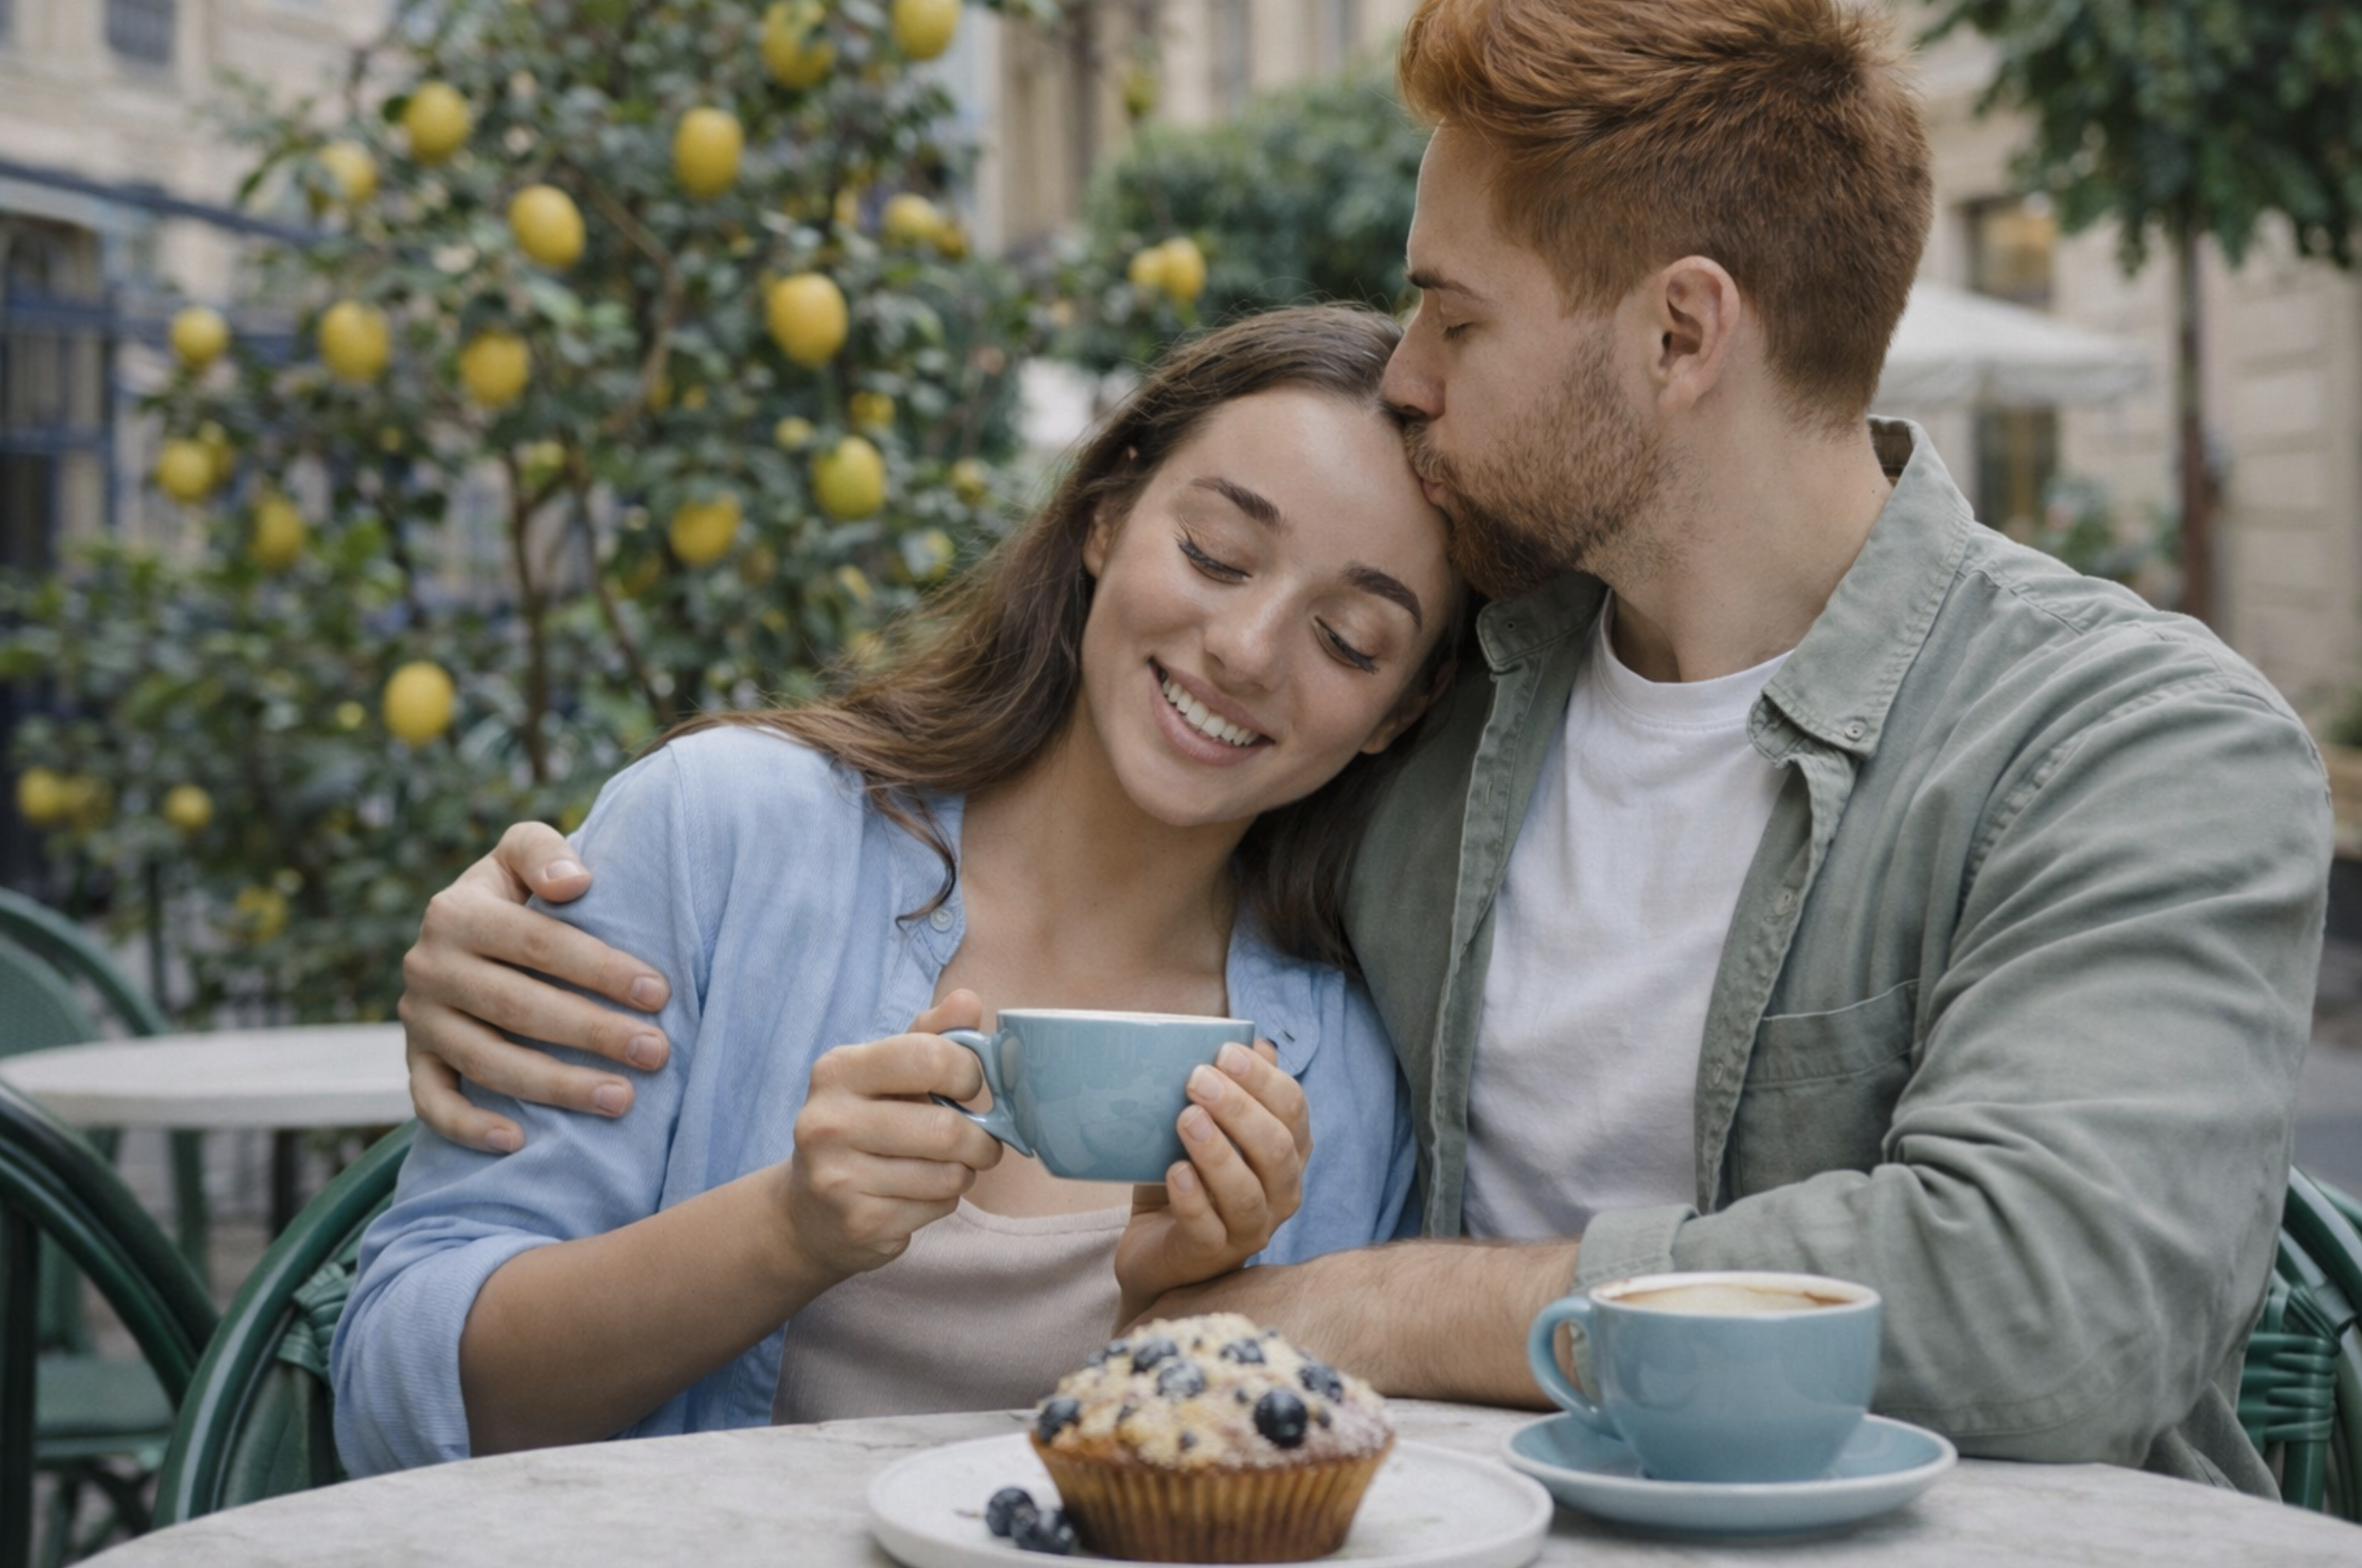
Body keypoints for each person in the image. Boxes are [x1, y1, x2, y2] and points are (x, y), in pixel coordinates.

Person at [391, 0, 2333, 1493]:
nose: (1406, 375)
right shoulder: (1451, 706)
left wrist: (1369, 1301)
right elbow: (1086, 786)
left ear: (1678, 337)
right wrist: (504, 927)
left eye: (1449, 312)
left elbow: (2047, 1304)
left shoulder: (2128, 742)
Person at [331, 305, 1464, 1475]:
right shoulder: (720, 834)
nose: (1248, 646)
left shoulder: (1345, 1072)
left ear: (1403, 713)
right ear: (1105, 513)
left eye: (1347, 637)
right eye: (1216, 555)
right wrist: (785, 1232)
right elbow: (394, 1394)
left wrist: (1182, 1311)